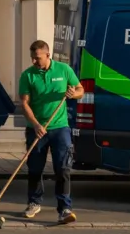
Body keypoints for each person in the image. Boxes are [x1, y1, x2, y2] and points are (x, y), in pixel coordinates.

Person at [18, 40, 84, 224]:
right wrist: (36, 124)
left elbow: (81, 90)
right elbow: (24, 103)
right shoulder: (28, 75)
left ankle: (64, 208)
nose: (34, 61)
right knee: (35, 168)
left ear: (48, 55)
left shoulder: (64, 70)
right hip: (36, 129)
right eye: (32, 58)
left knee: (62, 168)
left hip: (60, 128)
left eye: (37, 58)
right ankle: (34, 202)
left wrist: (74, 94)